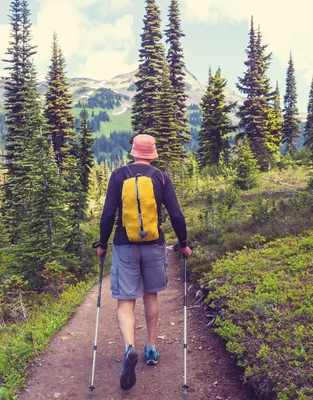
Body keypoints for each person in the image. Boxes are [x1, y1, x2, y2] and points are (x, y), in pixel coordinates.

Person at [97, 133, 192, 391]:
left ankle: (130, 347)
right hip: (153, 244)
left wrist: (103, 244)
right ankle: (150, 348)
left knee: (125, 301)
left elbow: (108, 214)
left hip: (124, 245)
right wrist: (183, 244)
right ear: (153, 153)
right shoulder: (161, 177)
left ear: (133, 152)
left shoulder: (118, 175)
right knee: (151, 296)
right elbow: (175, 214)